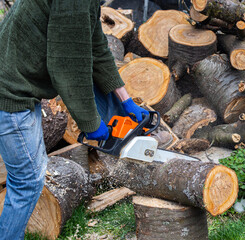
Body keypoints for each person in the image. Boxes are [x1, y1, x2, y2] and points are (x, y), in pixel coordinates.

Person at [0, 0, 148, 239]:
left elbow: (96, 47)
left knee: (30, 177)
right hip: (10, 94)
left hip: (19, 88)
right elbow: (68, 66)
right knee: (27, 182)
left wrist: (125, 99)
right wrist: (91, 123)